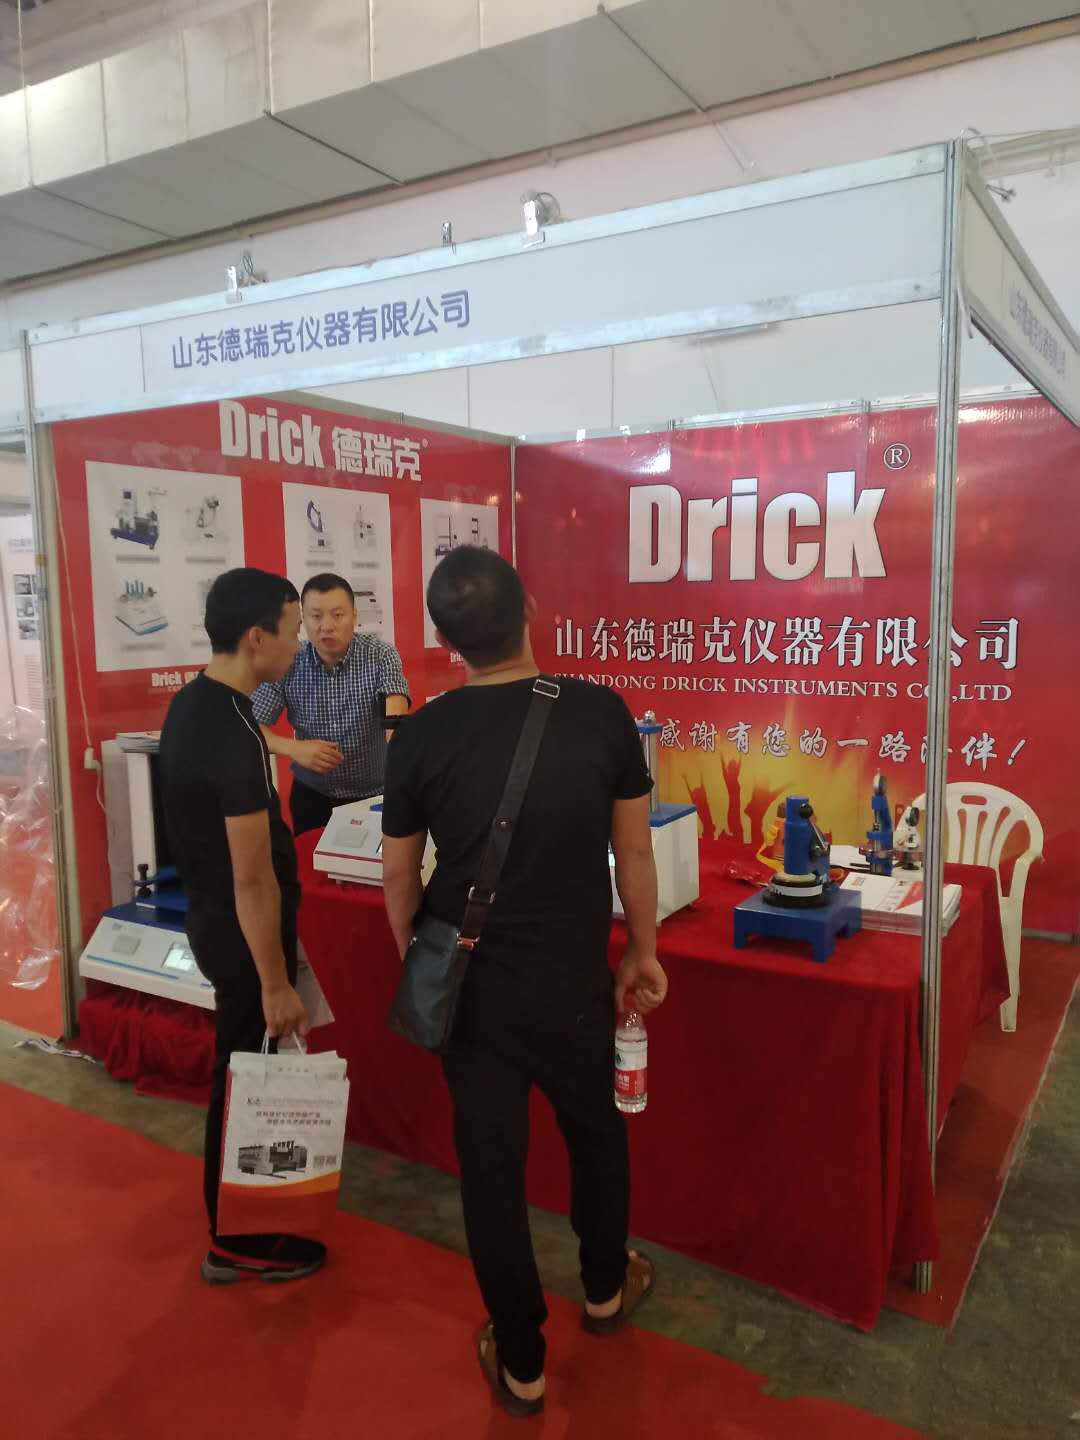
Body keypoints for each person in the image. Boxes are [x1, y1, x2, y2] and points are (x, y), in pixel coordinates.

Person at [381, 546, 668, 1417]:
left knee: (491, 1175)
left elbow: (399, 874)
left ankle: (522, 1363)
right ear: (531, 609)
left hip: (472, 997)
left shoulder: (420, 734)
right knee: (596, 1138)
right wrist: (642, 951)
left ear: (445, 640)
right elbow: (635, 851)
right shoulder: (600, 712)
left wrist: (417, 957)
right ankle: (606, 1291)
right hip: (574, 985)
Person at [159, 567, 324, 1284]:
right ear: (256, 638)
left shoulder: (196, 704)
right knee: (245, 1080)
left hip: (216, 922)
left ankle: (248, 1222)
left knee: (242, 1070)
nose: (299, 645)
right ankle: (237, 1241)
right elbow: (251, 877)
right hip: (241, 934)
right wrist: (275, 982)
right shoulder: (233, 731)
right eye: (292, 631)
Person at [252, 572, 410, 837]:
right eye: (316, 616)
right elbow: (252, 726)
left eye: (337, 615)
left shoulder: (380, 654)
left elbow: (395, 721)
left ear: (354, 616)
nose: (326, 626)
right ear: (303, 620)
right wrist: (294, 748)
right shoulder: (290, 659)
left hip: (373, 796)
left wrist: (401, 759)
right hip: (312, 796)